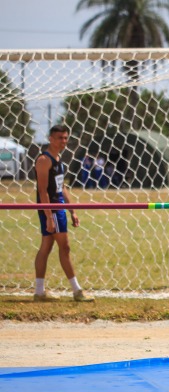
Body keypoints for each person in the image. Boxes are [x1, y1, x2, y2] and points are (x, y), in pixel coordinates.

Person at [33, 125, 94, 302]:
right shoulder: (44, 160)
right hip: (51, 208)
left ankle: (39, 292)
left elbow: (62, 187)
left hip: (59, 207)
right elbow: (43, 191)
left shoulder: (58, 159)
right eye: (60, 138)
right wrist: (49, 216)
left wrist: (72, 210)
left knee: (46, 247)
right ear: (51, 139)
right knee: (64, 247)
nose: (63, 141)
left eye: (66, 138)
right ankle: (77, 291)